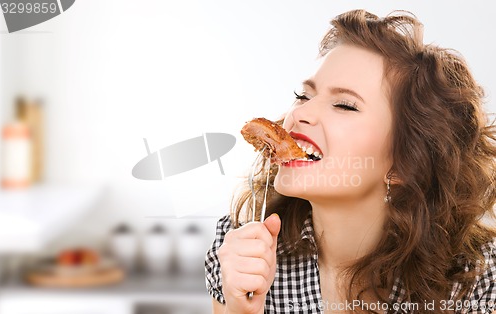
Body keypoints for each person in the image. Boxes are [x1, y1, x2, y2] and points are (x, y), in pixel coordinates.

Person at [205, 9, 496, 314]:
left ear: (405, 163)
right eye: (303, 96)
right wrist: (241, 309)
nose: (299, 114)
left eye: (344, 105)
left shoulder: (475, 281)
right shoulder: (239, 248)